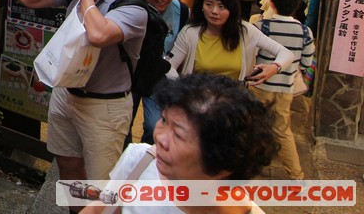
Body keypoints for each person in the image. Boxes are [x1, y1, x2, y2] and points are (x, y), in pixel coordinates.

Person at [20, 0, 148, 186]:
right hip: (66, 95)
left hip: (104, 106)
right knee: (68, 167)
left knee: (100, 182)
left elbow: (99, 34)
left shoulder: (134, 7)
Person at [78, 74, 279, 214]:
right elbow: (100, 208)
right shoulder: (140, 160)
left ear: (220, 164)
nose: (160, 138)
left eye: (178, 135)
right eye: (164, 120)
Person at [167, 0, 295, 83]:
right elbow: (169, 66)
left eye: (221, 6)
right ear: (201, 6)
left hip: (233, 104)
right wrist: (182, 87)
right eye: (209, 4)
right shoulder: (190, 33)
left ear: (231, 9)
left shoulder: (245, 31)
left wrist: (274, 67)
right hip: (198, 103)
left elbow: (286, 53)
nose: (214, 11)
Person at [251, 0, 316, 179]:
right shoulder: (305, 32)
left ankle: (249, 167)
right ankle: (296, 175)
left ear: (271, 2)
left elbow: (250, 56)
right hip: (286, 88)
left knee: (253, 126)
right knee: (283, 130)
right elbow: (306, 62)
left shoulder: (261, 26)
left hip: (259, 86)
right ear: (297, 6)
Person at [134, 0, 188, 145]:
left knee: (154, 125)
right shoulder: (133, 6)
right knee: (122, 126)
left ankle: (144, 160)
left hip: (160, 75)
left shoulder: (182, 11)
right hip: (131, 75)